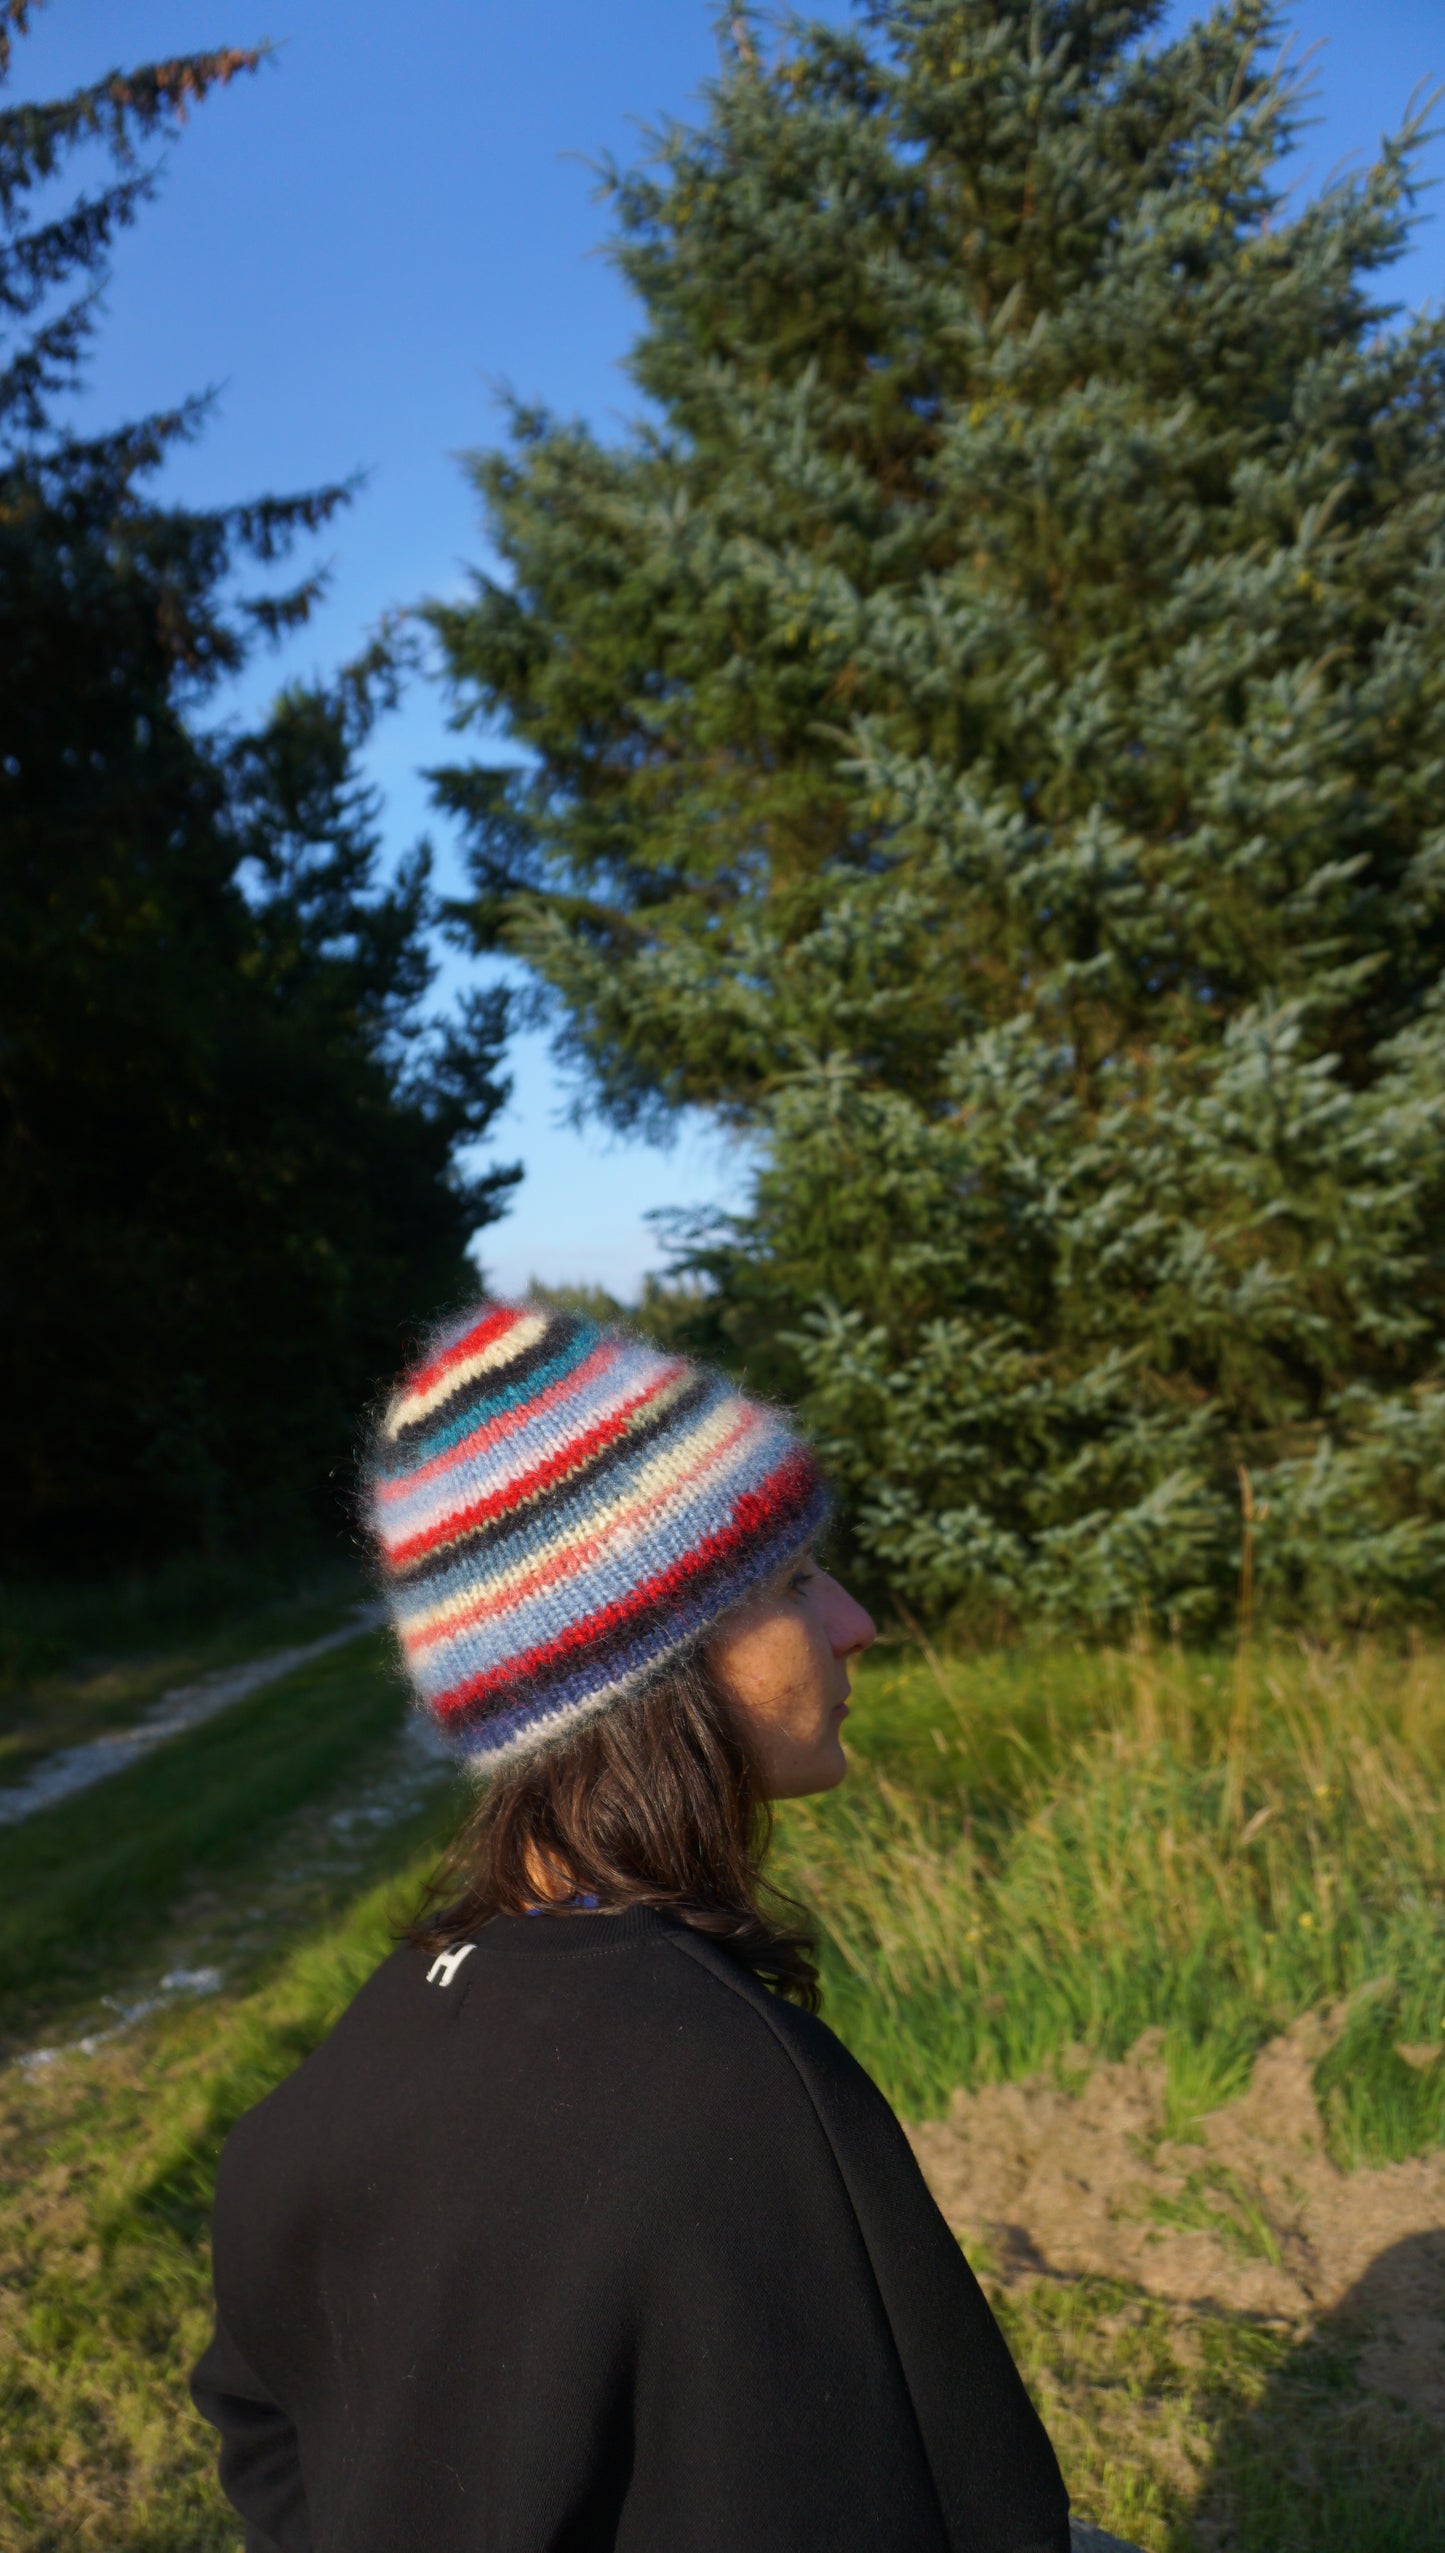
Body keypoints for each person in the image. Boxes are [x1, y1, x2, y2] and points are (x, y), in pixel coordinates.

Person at [191, 1299, 1071, 2552]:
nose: (855, 1623)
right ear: (644, 1669)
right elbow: (958, 2501)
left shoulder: (373, 2038)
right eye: (793, 1582)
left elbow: (257, 2416)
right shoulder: (736, 2087)